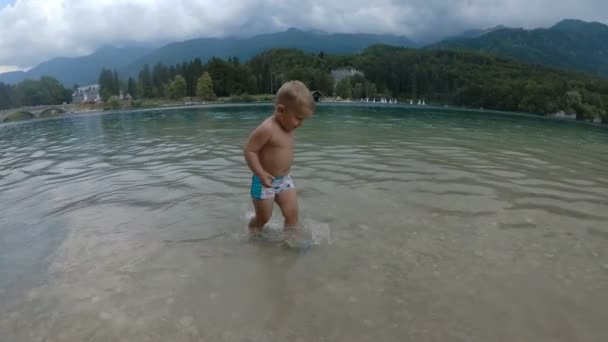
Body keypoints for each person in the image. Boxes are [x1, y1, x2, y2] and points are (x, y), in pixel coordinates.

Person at [243, 80, 315, 237]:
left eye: (303, 119)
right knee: (264, 217)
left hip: (284, 180)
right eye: (298, 118)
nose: (301, 124)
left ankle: (289, 242)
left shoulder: (289, 126)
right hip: (264, 182)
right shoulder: (267, 129)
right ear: (281, 110)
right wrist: (260, 173)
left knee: (292, 214)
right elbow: (250, 150)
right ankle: (253, 232)